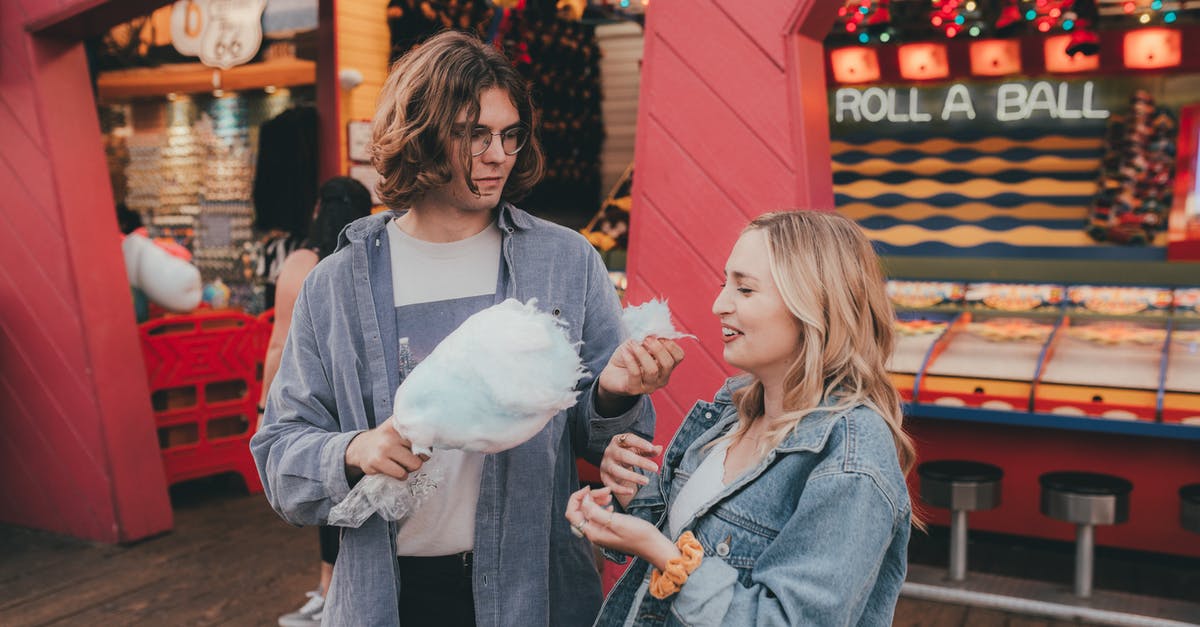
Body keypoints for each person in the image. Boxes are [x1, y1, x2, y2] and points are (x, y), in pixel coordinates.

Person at [250, 30, 683, 627]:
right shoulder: (338, 284)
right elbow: (279, 456)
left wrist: (616, 389)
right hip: (391, 595)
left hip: (536, 591)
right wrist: (356, 449)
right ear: (421, 137)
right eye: (474, 135)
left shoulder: (564, 261)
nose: (498, 154)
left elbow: (607, 444)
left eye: (509, 135)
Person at [566, 210, 918, 626]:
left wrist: (662, 555)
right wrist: (628, 497)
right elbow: (688, 537)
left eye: (745, 289)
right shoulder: (733, 409)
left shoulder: (850, 451)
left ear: (814, 304)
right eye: (724, 284)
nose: (719, 305)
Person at [260, 177, 373, 627]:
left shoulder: (302, 262)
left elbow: (278, 343)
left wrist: (265, 411)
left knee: (329, 490)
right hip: (368, 400)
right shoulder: (375, 257)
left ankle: (329, 592)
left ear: (316, 209)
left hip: (315, 397)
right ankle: (340, 592)